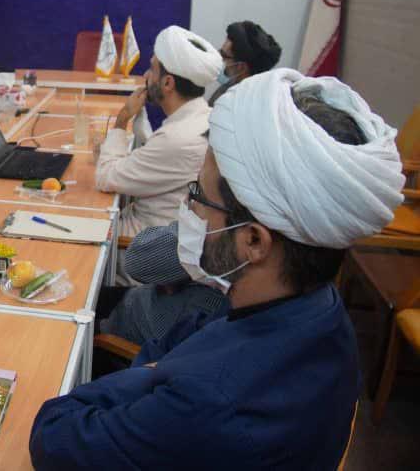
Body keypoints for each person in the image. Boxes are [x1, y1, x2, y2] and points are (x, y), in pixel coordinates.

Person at [30, 68, 405, 469]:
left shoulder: (210, 404)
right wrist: (160, 374)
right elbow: (184, 336)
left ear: (254, 241)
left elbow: (53, 435)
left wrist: (155, 376)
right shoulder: (311, 305)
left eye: (197, 195)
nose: (188, 209)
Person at [96, 26, 221, 249]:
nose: (146, 76)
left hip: (140, 243)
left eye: (152, 69)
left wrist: (122, 120)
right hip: (160, 230)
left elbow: (105, 177)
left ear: (167, 83)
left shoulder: (178, 138)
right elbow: (158, 151)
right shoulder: (203, 116)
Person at [96, 222, 228, 345]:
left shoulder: (218, 246)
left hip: (123, 333)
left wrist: (199, 231)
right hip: (136, 300)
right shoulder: (221, 245)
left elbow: (136, 261)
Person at [209, 20, 282, 105]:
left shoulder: (237, 103)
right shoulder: (229, 87)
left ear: (241, 67)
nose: (219, 58)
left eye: (223, 55)